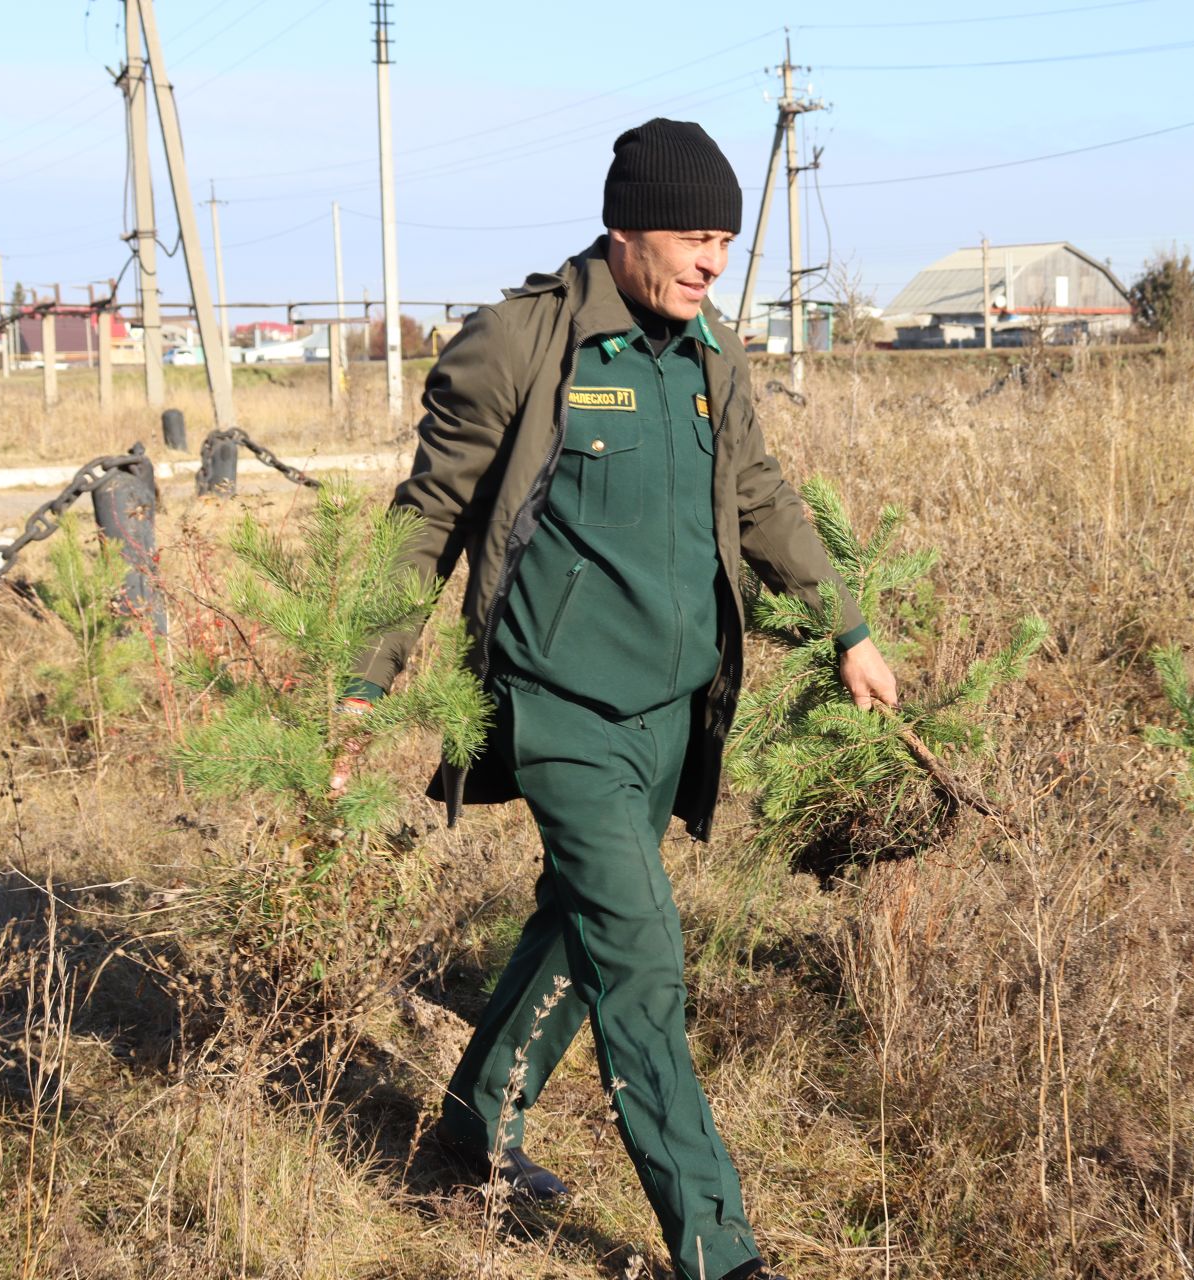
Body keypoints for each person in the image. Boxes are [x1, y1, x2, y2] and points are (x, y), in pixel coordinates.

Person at [338, 119, 896, 1280]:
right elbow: (426, 518)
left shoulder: (709, 355)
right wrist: (361, 676)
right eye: (694, 237)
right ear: (624, 227)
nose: (711, 261)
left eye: (725, 243)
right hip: (560, 709)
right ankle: (718, 1244)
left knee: (580, 919)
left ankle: (471, 1121)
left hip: (671, 711)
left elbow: (759, 497)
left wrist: (845, 623)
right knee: (640, 957)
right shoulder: (525, 344)